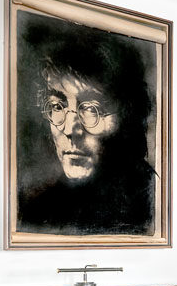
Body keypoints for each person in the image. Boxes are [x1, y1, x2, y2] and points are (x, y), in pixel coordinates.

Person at [15, 15, 158, 237]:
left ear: (127, 114)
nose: (71, 130)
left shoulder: (150, 203)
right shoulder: (39, 209)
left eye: (92, 109)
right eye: (57, 106)